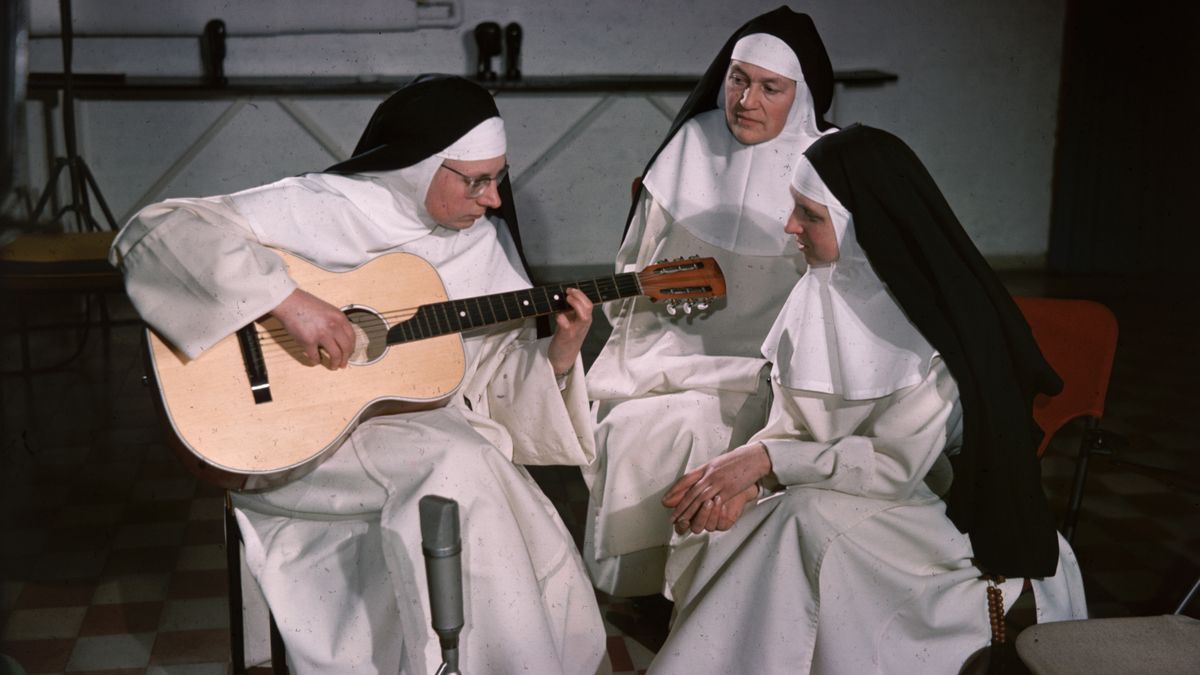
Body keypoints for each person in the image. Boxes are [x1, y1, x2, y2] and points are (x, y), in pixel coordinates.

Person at [109, 75, 609, 675]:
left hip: (411, 431)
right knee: (463, 468)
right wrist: (287, 301)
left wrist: (561, 348)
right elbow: (155, 232)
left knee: (469, 468)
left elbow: (487, 374)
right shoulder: (323, 205)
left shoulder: (481, 238)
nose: (493, 200)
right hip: (301, 445)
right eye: (475, 181)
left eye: (497, 179)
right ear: (418, 168)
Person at [648, 124, 1088, 674]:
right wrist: (752, 478)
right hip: (823, 486)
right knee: (751, 520)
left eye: (810, 215)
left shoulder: (942, 329)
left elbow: (893, 468)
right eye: (795, 209)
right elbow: (788, 422)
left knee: (797, 523)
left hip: (924, 510)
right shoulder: (819, 287)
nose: (791, 228)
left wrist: (767, 464)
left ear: (862, 224)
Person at [583, 5, 837, 598]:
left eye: (770, 87)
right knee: (634, 425)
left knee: (703, 430)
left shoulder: (832, 167)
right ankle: (641, 596)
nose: (746, 100)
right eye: (738, 79)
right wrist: (660, 314)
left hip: (780, 376)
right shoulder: (688, 145)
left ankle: (711, 593)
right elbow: (633, 273)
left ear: (799, 97)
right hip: (666, 361)